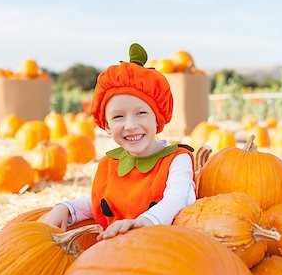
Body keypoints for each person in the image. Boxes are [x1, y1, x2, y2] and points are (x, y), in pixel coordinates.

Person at [42, 43, 196, 241]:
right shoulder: (110, 165)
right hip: (115, 256)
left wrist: (146, 221)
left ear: (157, 118)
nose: (130, 125)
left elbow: (178, 198)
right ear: (106, 125)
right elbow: (100, 202)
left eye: (141, 113)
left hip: (162, 251)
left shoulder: (177, 160)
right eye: (118, 117)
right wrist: (67, 208)